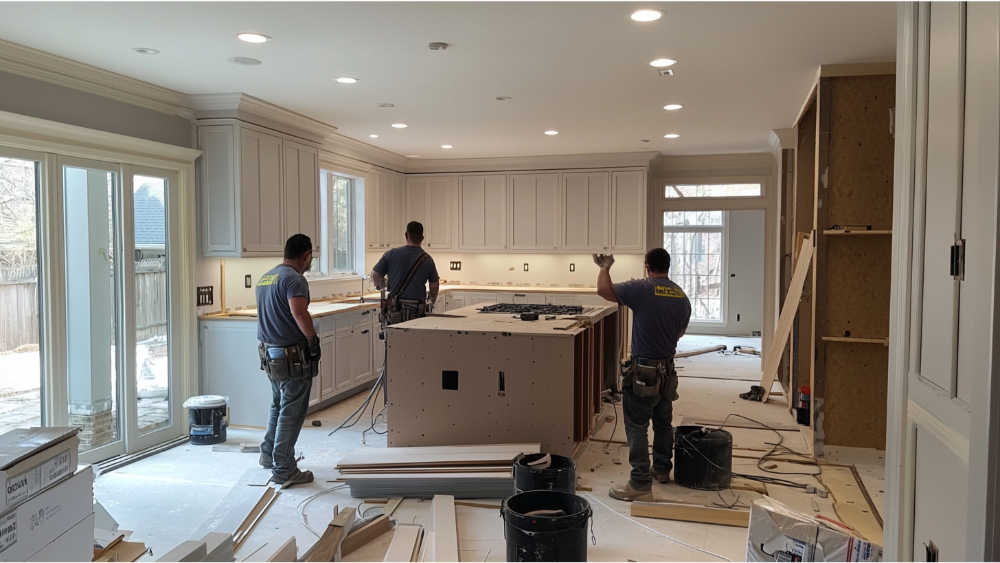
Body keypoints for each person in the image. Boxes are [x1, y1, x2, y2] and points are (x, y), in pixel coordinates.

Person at [595, 248, 692, 502]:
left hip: (644, 372)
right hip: (667, 370)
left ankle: (639, 484)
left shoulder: (642, 288)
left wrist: (605, 266)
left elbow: (604, 291)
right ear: (668, 266)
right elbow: (679, 334)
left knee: (637, 425)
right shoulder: (681, 296)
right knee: (662, 422)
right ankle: (661, 469)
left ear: (647, 266)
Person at [255, 234, 319, 486]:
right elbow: (299, 313)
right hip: (293, 357)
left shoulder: (266, 277)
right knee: (291, 412)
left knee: (278, 406)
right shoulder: (295, 278)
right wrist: (313, 341)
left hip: (271, 355)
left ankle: (268, 454)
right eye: (311, 257)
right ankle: (284, 467)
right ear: (305, 255)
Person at [371, 221, 440, 324]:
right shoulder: (428, 260)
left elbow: (375, 275)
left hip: (395, 308)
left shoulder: (391, 254)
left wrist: (382, 286)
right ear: (422, 238)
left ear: (406, 235)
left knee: (395, 337)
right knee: (416, 338)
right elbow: (434, 285)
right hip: (417, 309)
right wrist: (431, 300)